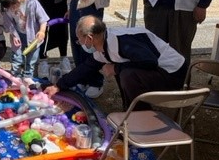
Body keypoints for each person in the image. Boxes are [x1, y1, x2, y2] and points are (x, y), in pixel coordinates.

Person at [44, 15, 187, 109]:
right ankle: (130, 111)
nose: (79, 42)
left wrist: (116, 68)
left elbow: (150, 62)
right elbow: (85, 68)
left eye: (79, 39)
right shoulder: (103, 44)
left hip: (173, 74)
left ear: (89, 38)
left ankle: (139, 117)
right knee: (123, 71)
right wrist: (58, 86)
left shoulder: (121, 42)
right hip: (160, 71)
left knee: (126, 74)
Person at [0, 0, 49, 85]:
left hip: (33, 34)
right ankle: (16, 76)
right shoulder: (7, 8)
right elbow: (8, 22)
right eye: (8, 8)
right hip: (18, 33)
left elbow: (43, 18)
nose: (11, 9)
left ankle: (28, 75)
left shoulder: (31, 2)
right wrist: (13, 35)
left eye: (12, 6)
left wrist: (42, 31)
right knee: (17, 55)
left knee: (32, 56)